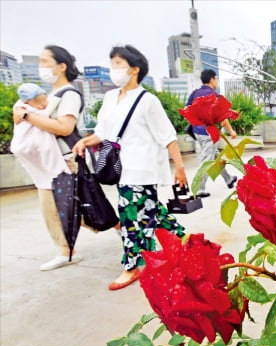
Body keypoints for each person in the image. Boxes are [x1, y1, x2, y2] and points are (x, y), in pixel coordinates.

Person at [72, 45, 187, 290]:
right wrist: (84, 141)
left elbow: (168, 136)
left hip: (142, 169)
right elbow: (103, 133)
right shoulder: (110, 98)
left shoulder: (148, 101)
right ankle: (184, 243)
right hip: (121, 168)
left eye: (118, 64)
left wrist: (180, 168)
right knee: (151, 212)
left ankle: (132, 267)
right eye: (112, 64)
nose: (114, 69)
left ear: (134, 69)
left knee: (131, 218)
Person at [12, 45, 86, 271]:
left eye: (45, 61)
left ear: (61, 66)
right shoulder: (49, 94)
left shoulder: (69, 94)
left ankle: (127, 230)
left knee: (90, 208)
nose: (41, 66)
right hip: (49, 162)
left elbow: (64, 127)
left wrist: (26, 115)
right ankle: (66, 251)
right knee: (52, 207)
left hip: (65, 159)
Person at [186, 69, 238, 198]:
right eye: (217, 79)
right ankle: (199, 189)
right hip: (209, 132)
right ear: (212, 79)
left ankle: (229, 179)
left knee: (214, 157)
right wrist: (231, 131)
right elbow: (221, 116)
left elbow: (187, 110)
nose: (217, 82)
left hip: (197, 131)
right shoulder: (213, 95)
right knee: (207, 160)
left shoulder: (195, 93)